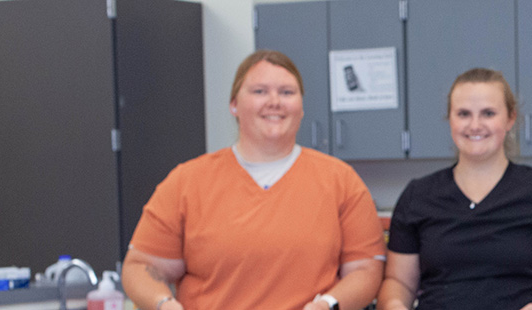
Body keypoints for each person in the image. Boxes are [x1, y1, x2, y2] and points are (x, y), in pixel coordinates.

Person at [122, 50, 386, 310]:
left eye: (287, 92)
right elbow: (141, 265)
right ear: (234, 105)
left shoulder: (341, 181)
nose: (274, 101)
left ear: (301, 107)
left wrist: (327, 305)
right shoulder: (186, 182)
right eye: (260, 91)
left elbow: (366, 269)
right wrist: (164, 304)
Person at [378, 68, 532, 310]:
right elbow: (399, 282)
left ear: (510, 119)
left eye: (488, 113)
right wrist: (394, 305)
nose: (475, 125)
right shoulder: (417, 197)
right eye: (463, 114)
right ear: (449, 119)